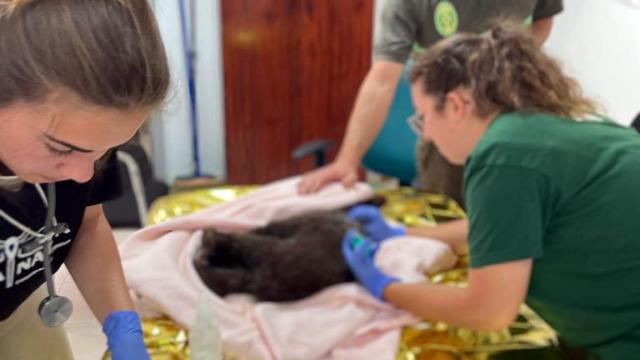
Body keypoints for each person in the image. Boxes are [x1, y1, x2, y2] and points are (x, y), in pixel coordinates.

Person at [342, 22, 640, 359]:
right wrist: (403, 233)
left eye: (423, 118)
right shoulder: (554, 125)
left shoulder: (501, 155)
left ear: (456, 106)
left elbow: (489, 311)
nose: (425, 136)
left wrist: (385, 287)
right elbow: (506, 228)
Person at [0, 0, 169, 359]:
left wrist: (122, 325)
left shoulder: (85, 137)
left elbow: (87, 226)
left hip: (17, 314)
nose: (83, 175)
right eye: (61, 149)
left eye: (105, 150)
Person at [298, 0, 564, 207]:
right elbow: (381, 80)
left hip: (512, 116)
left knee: (513, 224)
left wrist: (506, 69)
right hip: (448, 129)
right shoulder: (407, 5)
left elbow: (543, 19)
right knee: (449, 222)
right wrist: (347, 161)